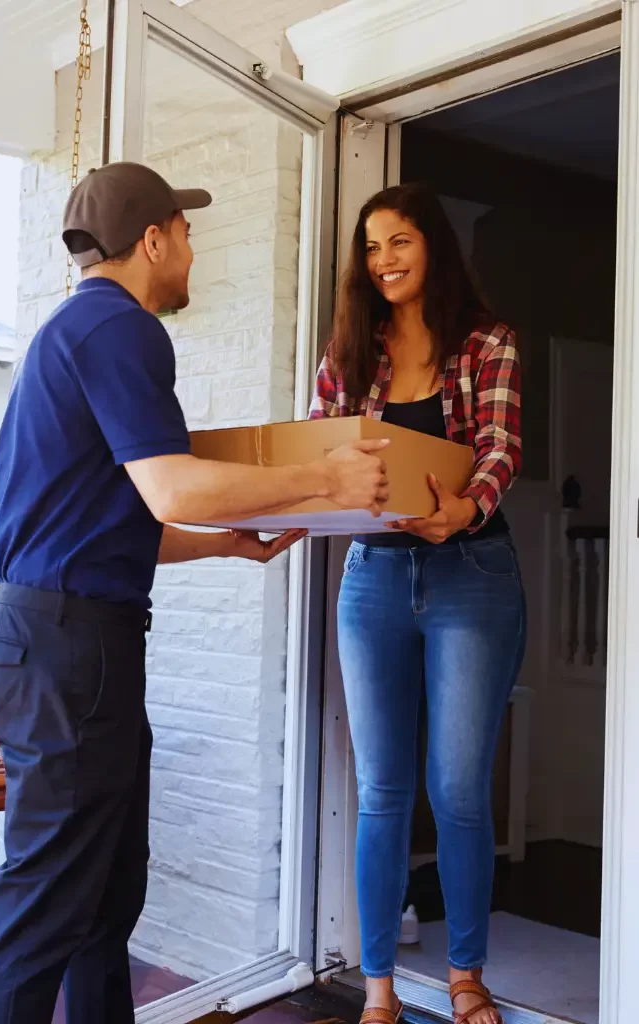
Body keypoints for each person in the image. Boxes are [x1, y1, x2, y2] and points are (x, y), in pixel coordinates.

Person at [0, 161, 390, 1024]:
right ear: (151, 239)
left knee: (101, 902)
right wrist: (323, 480)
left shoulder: (76, 333)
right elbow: (174, 486)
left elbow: (121, 523)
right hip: (71, 650)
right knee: (47, 906)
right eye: (186, 232)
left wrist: (227, 545)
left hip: (63, 641)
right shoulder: (122, 330)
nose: (193, 250)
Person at [309, 183, 526, 1024]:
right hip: (372, 582)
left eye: (399, 241)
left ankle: (467, 976)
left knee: (460, 789)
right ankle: (378, 990)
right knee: (381, 789)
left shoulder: (487, 342)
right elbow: (321, 452)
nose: (384, 260)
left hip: (471, 575)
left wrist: (462, 508)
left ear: (431, 245)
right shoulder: (348, 354)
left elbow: (502, 444)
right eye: (371, 247)